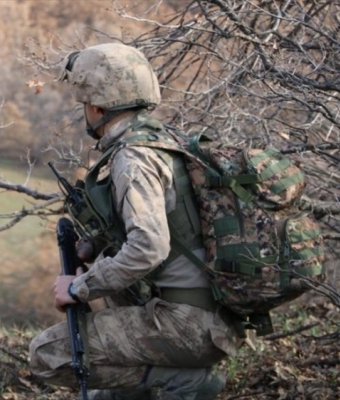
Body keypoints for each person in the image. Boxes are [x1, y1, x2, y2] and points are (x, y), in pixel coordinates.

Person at [29, 43, 242, 400]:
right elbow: (177, 228)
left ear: (96, 106)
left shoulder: (134, 158)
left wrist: (79, 288)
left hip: (187, 324)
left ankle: (185, 383)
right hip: (215, 316)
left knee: (48, 354)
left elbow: (148, 248)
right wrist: (94, 246)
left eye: (84, 105)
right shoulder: (166, 140)